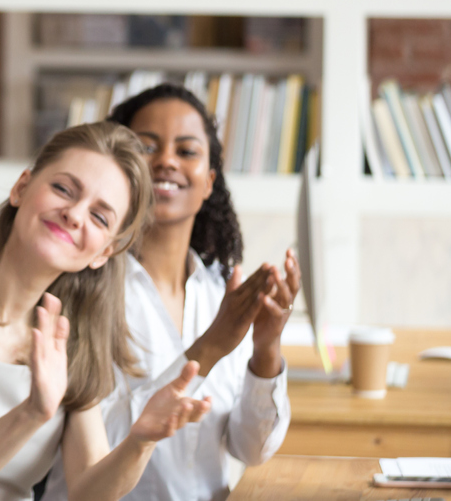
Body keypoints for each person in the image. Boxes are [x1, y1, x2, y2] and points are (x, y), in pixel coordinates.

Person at [0, 122, 213, 501]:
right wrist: (31, 413)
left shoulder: (69, 337)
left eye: (99, 217)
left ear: (103, 253)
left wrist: (140, 442)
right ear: (21, 188)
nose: (75, 214)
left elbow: (87, 491)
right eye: (63, 189)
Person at [44, 84, 297, 501]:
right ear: (119, 169)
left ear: (209, 181)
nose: (165, 161)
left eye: (187, 151)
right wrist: (211, 346)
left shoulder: (221, 292)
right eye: (147, 147)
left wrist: (265, 351)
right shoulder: (79, 287)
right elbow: (95, 451)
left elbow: (251, 449)